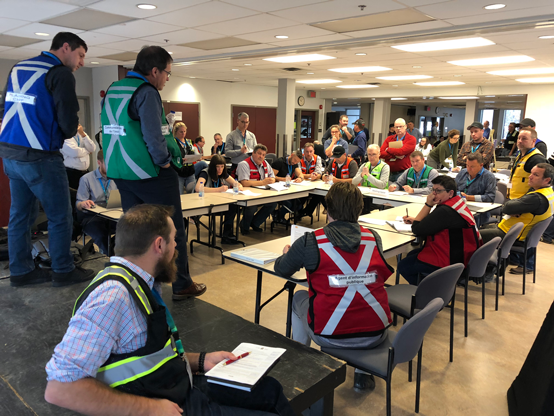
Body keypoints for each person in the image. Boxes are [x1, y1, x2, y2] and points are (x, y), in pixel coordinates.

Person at [44, 204, 295, 416]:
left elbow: (146, 358)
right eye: (175, 239)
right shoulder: (113, 297)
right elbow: (60, 388)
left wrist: (201, 360)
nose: (177, 247)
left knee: (269, 390)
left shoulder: (140, 282)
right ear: (159, 244)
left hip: (176, 384)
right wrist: (150, 409)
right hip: (164, 404)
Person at [101, 45, 205, 300]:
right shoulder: (146, 92)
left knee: (136, 231)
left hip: (120, 171)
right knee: (172, 228)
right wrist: (166, 162)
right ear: (154, 70)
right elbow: (154, 134)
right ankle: (181, 284)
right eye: (167, 73)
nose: (167, 79)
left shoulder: (115, 88)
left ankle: (138, 283)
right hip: (149, 172)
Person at [274, 182, 394, 392]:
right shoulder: (374, 238)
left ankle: (302, 361)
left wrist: (287, 253)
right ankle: (363, 373)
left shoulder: (310, 241)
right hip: (376, 332)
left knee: (298, 298)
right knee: (362, 303)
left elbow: (282, 269)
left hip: (330, 334)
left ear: (327, 209)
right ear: (359, 209)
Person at [0, 32, 95, 287]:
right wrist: (64, 133)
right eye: (81, 55)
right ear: (66, 47)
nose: (82, 62)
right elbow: (68, 120)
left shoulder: (18, 67)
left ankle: (21, 272)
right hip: (40, 156)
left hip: (9, 154)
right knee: (60, 216)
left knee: (20, 216)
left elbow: (4, 106)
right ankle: (63, 270)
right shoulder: (60, 73)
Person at [398, 176, 482, 285]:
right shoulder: (456, 203)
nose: (433, 194)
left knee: (403, 266)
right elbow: (437, 223)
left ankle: (431, 293)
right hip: (461, 254)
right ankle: (437, 289)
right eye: (433, 190)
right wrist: (417, 220)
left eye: (438, 191)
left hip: (449, 259)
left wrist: (428, 204)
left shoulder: (445, 211)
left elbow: (417, 229)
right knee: (412, 254)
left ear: (450, 193)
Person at [480, 164, 554, 275]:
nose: (530, 176)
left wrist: (514, 206)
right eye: (531, 172)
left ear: (547, 180)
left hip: (511, 234)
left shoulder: (536, 198)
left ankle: (482, 271)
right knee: (483, 228)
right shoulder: (548, 193)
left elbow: (506, 207)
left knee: (472, 235)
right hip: (514, 230)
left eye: (536, 174)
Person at [75, 150, 118, 255]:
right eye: (108, 164)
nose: (112, 167)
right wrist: (83, 204)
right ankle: (110, 258)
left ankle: (113, 251)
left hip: (112, 214)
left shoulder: (117, 177)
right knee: (101, 235)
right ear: (99, 163)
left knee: (130, 229)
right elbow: (78, 204)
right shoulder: (86, 179)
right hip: (92, 217)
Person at [196, 155, 243, 244]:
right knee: (231, 208)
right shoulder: (205, 173)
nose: (220, 169)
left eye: (222, 167)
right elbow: (198, 188)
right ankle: (226, 235)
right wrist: (218, 189)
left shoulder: (223, 174)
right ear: (213, 167)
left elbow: (237, 183)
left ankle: (227, 235)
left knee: (233, 207)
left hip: (219, 203)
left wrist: (238, 186)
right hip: (206, 205)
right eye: (217, 167)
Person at [237, 144, 278, 234]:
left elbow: (273, 177)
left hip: (262, 192)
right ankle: (244, 226)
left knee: (273, 203)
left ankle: (255, 223)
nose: (261, 157)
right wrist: (263, 182)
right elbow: (244, 183)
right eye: (259, 154)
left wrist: (272, 180)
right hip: (247, 194)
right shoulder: (244, 164)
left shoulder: (265, 163)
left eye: (263, 155)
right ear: (253, 153)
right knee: (252, 207)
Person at [507, 128, 547, 200]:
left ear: (533, 141)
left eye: (524, 139)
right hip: (513, 198)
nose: (520, 141)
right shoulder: (520, 155)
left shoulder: (537, 159)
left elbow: (539, 185)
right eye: (519, 138)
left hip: (524, 202)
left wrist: (525, 201)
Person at [379, 118, 417, 183]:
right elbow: (381, 153)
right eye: (396, 127)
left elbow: (401, 151)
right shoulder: (389, 138)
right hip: (388, 172)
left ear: (405, 127)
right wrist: (395, 156)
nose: (398, 129)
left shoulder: (411, 139)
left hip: (403, 172)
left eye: (400, 126)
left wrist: (388, 149)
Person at [271, 150, 303, 224]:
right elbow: (272, 177)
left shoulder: (294, 164)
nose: (294, 163)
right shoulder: (279, 162)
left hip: (288, 189)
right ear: (291, 155)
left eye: (297, 162)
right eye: (294, 160)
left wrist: (300, 178)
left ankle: (278, 214)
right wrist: (282, 179)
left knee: (299, 205)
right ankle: (280, 216)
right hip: (277, 188)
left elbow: (300, 174)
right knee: (288, 204)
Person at [61, 123, 96, 189]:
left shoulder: (81, 134)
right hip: (72, 173)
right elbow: (75, 152)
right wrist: (87, 151)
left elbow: (92, 148)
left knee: (86, 194)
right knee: (74, 195)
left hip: (85, 172)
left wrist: (83, 134)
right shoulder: (64, 136)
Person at [171, 122, 196, 195]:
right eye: (181, 132)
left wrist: (195, 157)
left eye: (184, 131)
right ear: (176, 132)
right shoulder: (173, 142)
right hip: (179, 172)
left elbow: (193, 152)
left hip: (190, 171)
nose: (183, 133)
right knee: (180, 194)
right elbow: (171, 157)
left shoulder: (189, 141)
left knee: (192, 194)